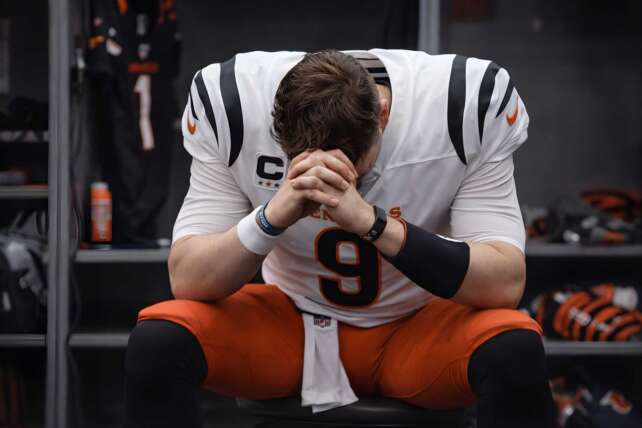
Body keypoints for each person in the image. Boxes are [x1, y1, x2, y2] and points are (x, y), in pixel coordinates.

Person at [125, 49, 555, 428]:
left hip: (416, 326)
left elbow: (504, 282)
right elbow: (188, 279)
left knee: (514, 347)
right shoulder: (235, 104)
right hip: (291, 324)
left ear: (383, 115)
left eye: (351, 164)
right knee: (159, 340)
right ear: (275, 126)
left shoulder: (457, 103)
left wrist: (371, 222)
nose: (332, 178)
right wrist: (272, 216)